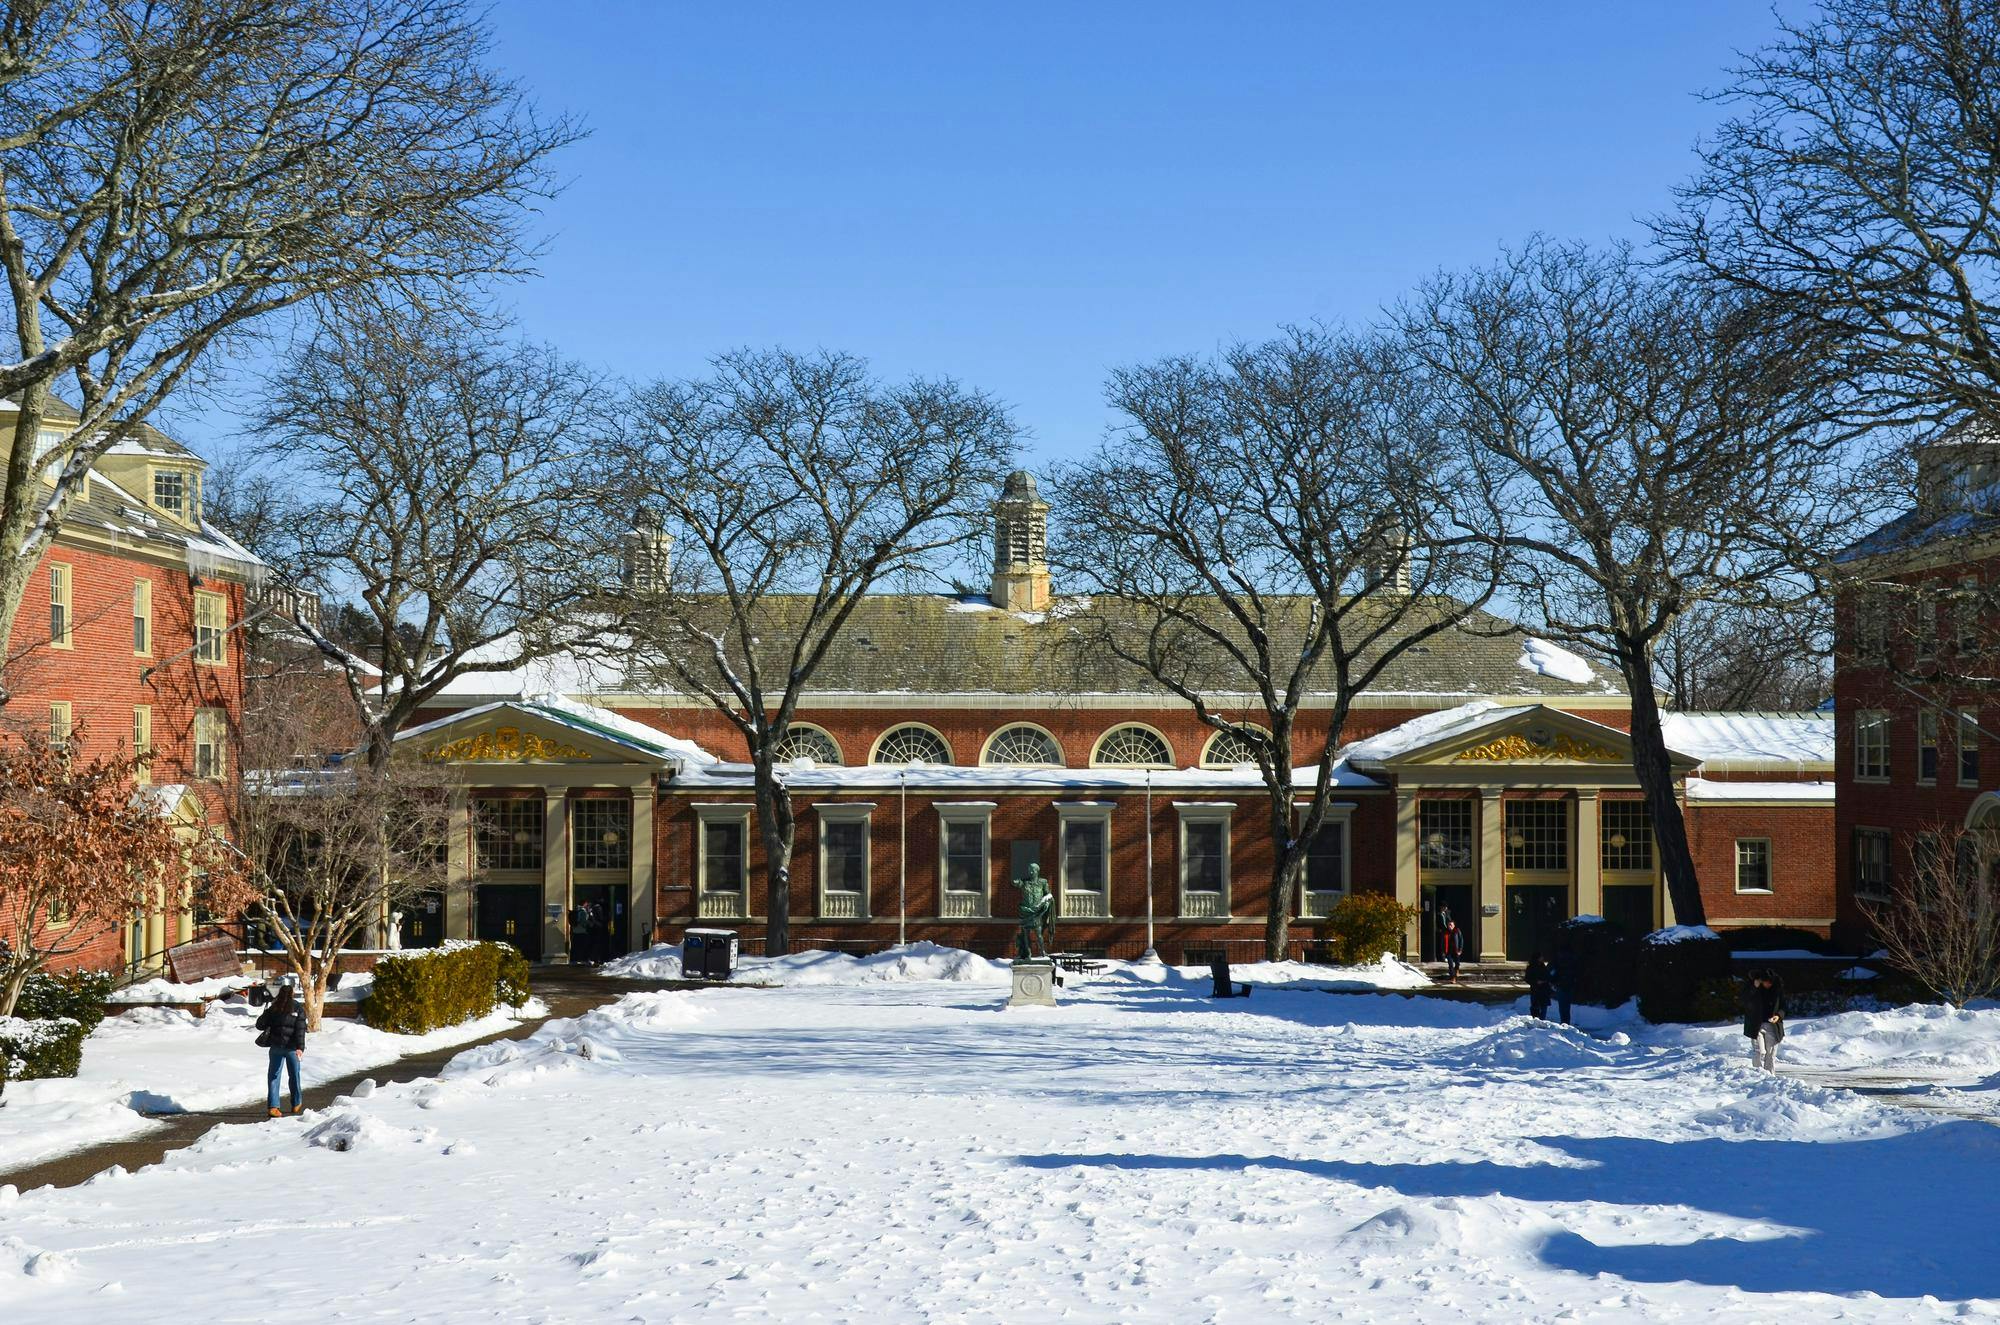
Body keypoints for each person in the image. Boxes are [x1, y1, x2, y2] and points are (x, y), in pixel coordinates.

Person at [255, 975, 308, 1118]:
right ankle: (296, 1103)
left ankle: (273, 1106)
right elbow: (301, 1030)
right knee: (294, 1075)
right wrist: (300, 1048)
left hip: (276, 1047)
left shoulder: (274, 1008)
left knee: (273, 1076)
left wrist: (267, 1011)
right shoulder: (298, 1007)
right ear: (292, 993)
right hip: (292, 1048)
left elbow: (259, 1025)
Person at [1742, 967, 1786, 1071]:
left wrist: (1778, 1016)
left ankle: (1770, 1077)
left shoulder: (1777, 990)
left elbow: (1783, 1007)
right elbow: (1744, 1000)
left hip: (1773, 1025)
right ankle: (1758, 1075)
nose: (1767, 984)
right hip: (1756, 1024)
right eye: (1765, 982)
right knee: (1759, 1051)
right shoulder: (1753, 988)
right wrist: (1754, 987)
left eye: (1769, 982)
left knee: (1770, 1054)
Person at [1550, 947, 1575, 1026]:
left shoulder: (1558, 962)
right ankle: (1566, 1022)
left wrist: (1553, 983)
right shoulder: (1571, 962)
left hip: (1560, 985)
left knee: (1562, 1006)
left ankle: (1564, 1022)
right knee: (1567, 1007)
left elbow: (1552, 973)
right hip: (1569, 985)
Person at [1526, 949, 1553, 1020]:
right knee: (1535, 1007)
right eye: (1541, 957)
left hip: (1544, 989)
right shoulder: (1531, 967)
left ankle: (1542, 1020)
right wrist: (1535, 982)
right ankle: (1535, 1020)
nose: (1542, 958)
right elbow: (1527, 978)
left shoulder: (1543, 967)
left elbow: (1548, 976)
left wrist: (1546, 981)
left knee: (1543, 1007)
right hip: (1535, 989)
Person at [1439, 914, 1465, 983]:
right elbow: (1442, 942)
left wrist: (1460, 950)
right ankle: (1453, 978)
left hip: (1456, 950)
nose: (1450, 926)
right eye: (1449, 925)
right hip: (1448, 951)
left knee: (1457, 963)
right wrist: (1443, 951)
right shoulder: (1445, 932)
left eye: (1451, 925)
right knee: (1450, 964)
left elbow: (1461, 940)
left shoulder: (1457, 931)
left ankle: (1457, 969)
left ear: (1454, 925)